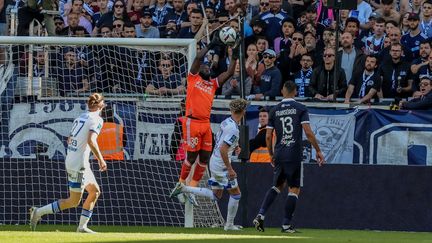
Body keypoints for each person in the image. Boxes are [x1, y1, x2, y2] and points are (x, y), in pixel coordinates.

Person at [169, 33, 239, 204]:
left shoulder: (213, 84)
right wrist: (210, 45)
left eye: (209, 67)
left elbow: (229, 72)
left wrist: (235, 55)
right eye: (205, 67)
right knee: (191, 158)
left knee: (204, 158)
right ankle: (180, 185)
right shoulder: (193, 78)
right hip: (192, 122)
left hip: (205, 124)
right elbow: (199, 58)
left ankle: (191, 188)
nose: (207, 67)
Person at [253, 81, 325, 233]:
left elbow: (267, 136)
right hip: (293, 154)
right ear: (296, 92)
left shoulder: (274, 110)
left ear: (282, 91)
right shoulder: (300, 108)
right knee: (294, 189)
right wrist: (318, 151)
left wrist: (271, 154)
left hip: (279, 153)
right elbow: (308, 132)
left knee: (277, 186)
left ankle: (261, 214)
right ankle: (286, 225)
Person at [29, 93, 107, 233]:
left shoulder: (80, 117)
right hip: (79, 164)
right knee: (73, 201)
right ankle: (38, 212)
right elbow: (91, 140)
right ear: (101, 105)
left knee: (94, 192)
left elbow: (69, 139)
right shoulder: (97, 119)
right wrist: (101, 159)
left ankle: (82, 227)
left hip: (75, 159)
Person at [170, 98, 248, 231]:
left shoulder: (226, 122)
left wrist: (235, 147)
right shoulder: (233, 128)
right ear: (243, 112)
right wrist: (229, 169)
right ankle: (229, 225)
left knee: (216, 195)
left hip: (215, 161)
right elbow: (223, 148)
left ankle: (184, 188)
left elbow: (222, 141)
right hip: (221, 164)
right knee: (236, 194)